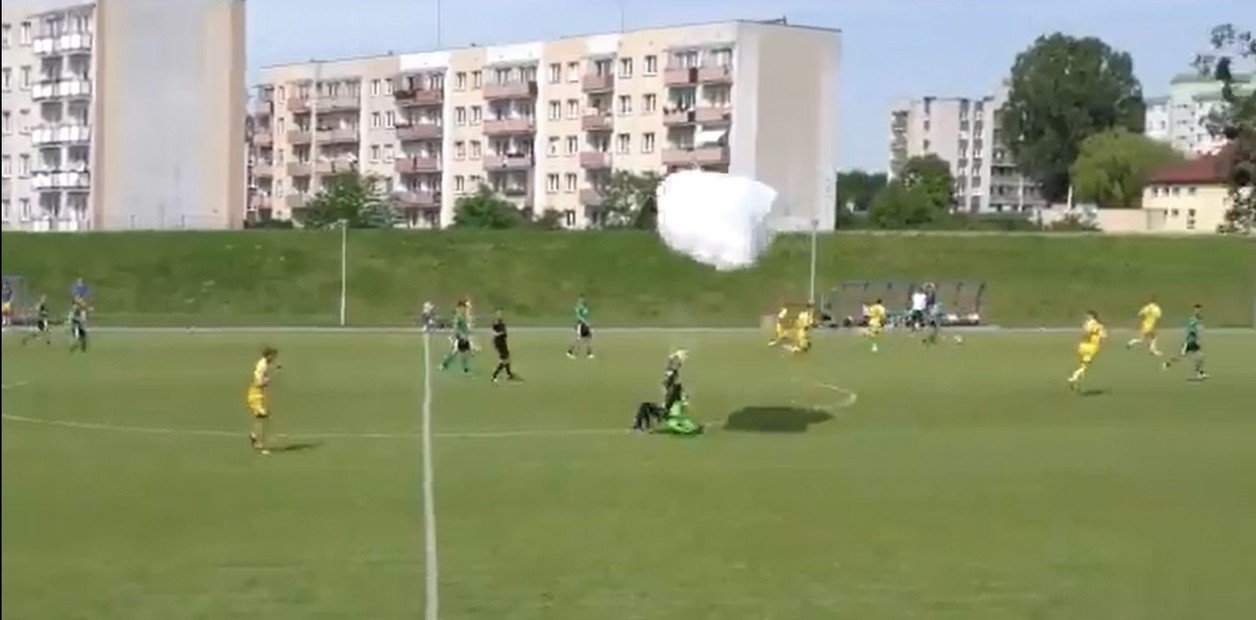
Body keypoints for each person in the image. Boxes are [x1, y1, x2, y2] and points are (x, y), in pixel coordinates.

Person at [246, 347, 280, 454]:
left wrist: (274, 369)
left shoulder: (264, 363)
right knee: (263, 417)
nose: (274, 358)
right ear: (269, 355)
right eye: (273, 356)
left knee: (261, 419)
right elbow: (259, 382)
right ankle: (259, 443)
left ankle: (255, 436)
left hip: (259, 395)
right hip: (255, 395)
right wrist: (267, 380)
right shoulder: (262, 366)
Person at [1163, 304, 1207, 380]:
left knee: (1200, 357)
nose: (1198, 311)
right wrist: (1194, 332)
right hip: (1188, 342)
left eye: (1199, 310)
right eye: (1196, 310)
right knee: (1179, 356)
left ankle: (1200, 373)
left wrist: (1199, 337)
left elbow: (1199, 329)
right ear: (1194, 310)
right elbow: (1191, 329)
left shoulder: (1200, 319)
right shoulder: (1192, 319)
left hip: (1194, 342)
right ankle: (1167, 364)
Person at [1068, 310, 1107, 390]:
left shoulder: (1088, 323)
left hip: (1083, 346)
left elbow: (1085, 332)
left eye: (1088, 315)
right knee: (1085, 364)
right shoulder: (1099, 325)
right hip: (1092, 347)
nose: (1086, 316)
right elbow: (1103, 336)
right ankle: (1075, 377)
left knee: (1083, 364)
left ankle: (1076, 380)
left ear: (1091, 316)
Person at [440, 301, 474, 373]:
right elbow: (456, 328)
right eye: (463, 307)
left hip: (465, 337)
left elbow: (466, 327)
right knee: (455, 353)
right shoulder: (458, 317)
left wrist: (467, 334)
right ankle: (444, 364)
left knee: (465, 352)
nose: (464, 309)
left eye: (464, 307)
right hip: (459, 338)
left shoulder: (464, 316)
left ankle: (465, 368)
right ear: (459, 308)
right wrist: (459, 335)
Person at [490, 308, 520, 383]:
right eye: (498, 313)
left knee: (507, 358)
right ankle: (494, 375)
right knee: (504, 360)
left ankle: (509, 374)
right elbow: (494, 333)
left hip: (503, 342)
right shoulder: (495, 322)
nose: (500, 314)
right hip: (499, 343)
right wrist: (501, 334)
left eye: (501, 313)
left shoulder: (501, 321)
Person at [566, 294, 594, 359]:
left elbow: (586, 316)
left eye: (583, 299)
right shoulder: (578, 308)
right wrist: (585, 322)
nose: (582, 301)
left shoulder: (585, 308)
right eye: (581, 300)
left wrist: (588, 324)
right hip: (580, 325)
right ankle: (570, 351)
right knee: (578, 339)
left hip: (585, 325)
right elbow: (578, 316)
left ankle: (589, 353)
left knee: (588, 338)